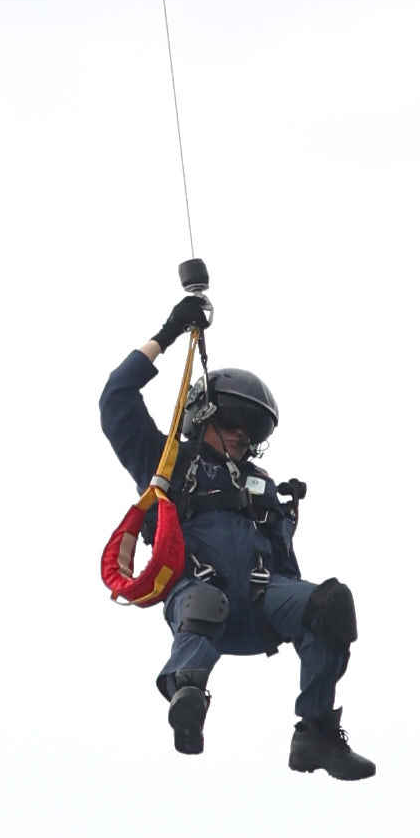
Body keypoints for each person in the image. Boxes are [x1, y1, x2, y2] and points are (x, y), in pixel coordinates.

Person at [101, 324, 372, 781]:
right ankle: (187, 693)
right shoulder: (169, 463)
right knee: (208, 602)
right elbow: (116, 398)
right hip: (198, 598)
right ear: (204, 418)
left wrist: (313, 614)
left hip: (263, 604)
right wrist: (168, 333)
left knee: (331, 601)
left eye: (249, 432)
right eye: (232, 426)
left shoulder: (262, 488)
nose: (241, 438)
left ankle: (315, 734)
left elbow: (288, 571)